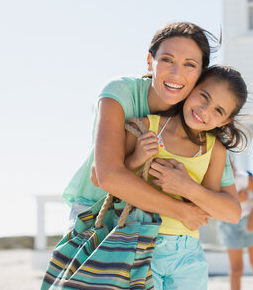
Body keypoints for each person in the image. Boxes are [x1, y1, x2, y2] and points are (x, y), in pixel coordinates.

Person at [63, 22, 238, 234]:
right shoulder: (120, 92)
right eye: (167, 59)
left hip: (145, 228)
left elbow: (230, 209)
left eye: (189, 65)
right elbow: (107, 176)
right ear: (150, 62)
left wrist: (188, 189)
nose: (175, 73)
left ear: (200, 74)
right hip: (96, 213)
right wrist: (182, 211)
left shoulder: (198, 116)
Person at [91, 65, 249, 289]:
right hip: (139, 245)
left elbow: (212, 206)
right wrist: (136, 158)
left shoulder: (215, 150)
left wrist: (187, 187)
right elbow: (101, 178)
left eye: (218, 111)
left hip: (188, 253)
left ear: (224, 121)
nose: (205, 110)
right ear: (191, 89)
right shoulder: (145, 127)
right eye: (204, 96)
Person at [217, 155, 253, 290]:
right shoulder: (215, 182)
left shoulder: (242, 178)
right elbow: (216, 206)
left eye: (230, 166)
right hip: (228, 223)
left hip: (250, 218)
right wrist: (237, 200)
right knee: (236, 269)